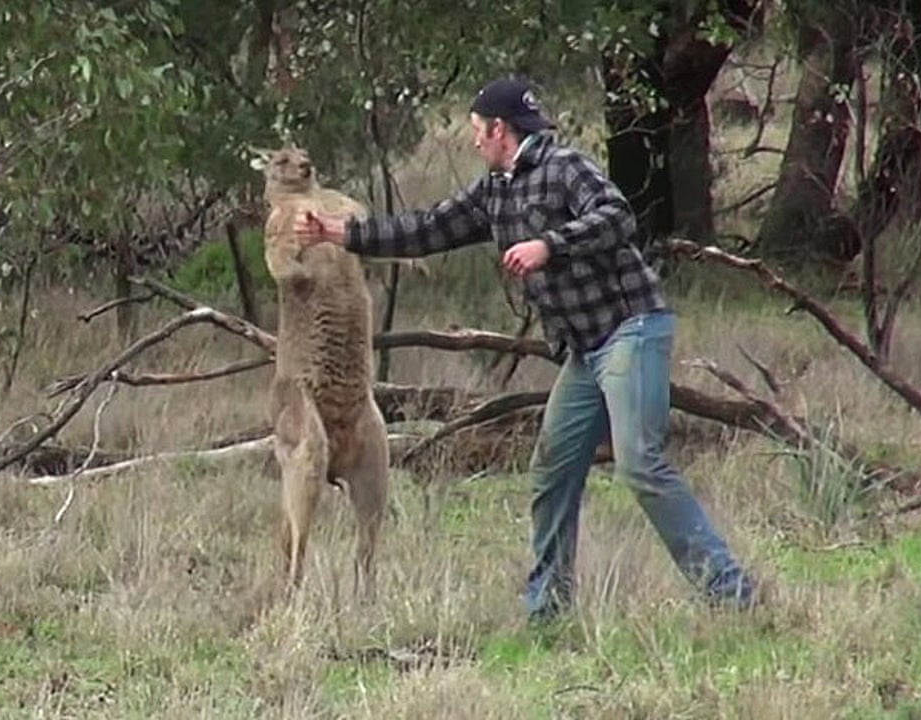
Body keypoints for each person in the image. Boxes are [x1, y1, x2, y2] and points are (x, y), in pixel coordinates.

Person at [293, 76, 756, 620]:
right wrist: (337, 234)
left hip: (630, 328)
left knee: (640, 464)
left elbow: (617, 216)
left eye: (476, 132)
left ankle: (731, 594)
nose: (473, 143)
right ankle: (548, 608)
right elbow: (427, 229)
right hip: (585, 350)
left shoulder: (564, 167)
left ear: (499, 129)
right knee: (554, 468)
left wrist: (549, 246)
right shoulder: (496, 188)